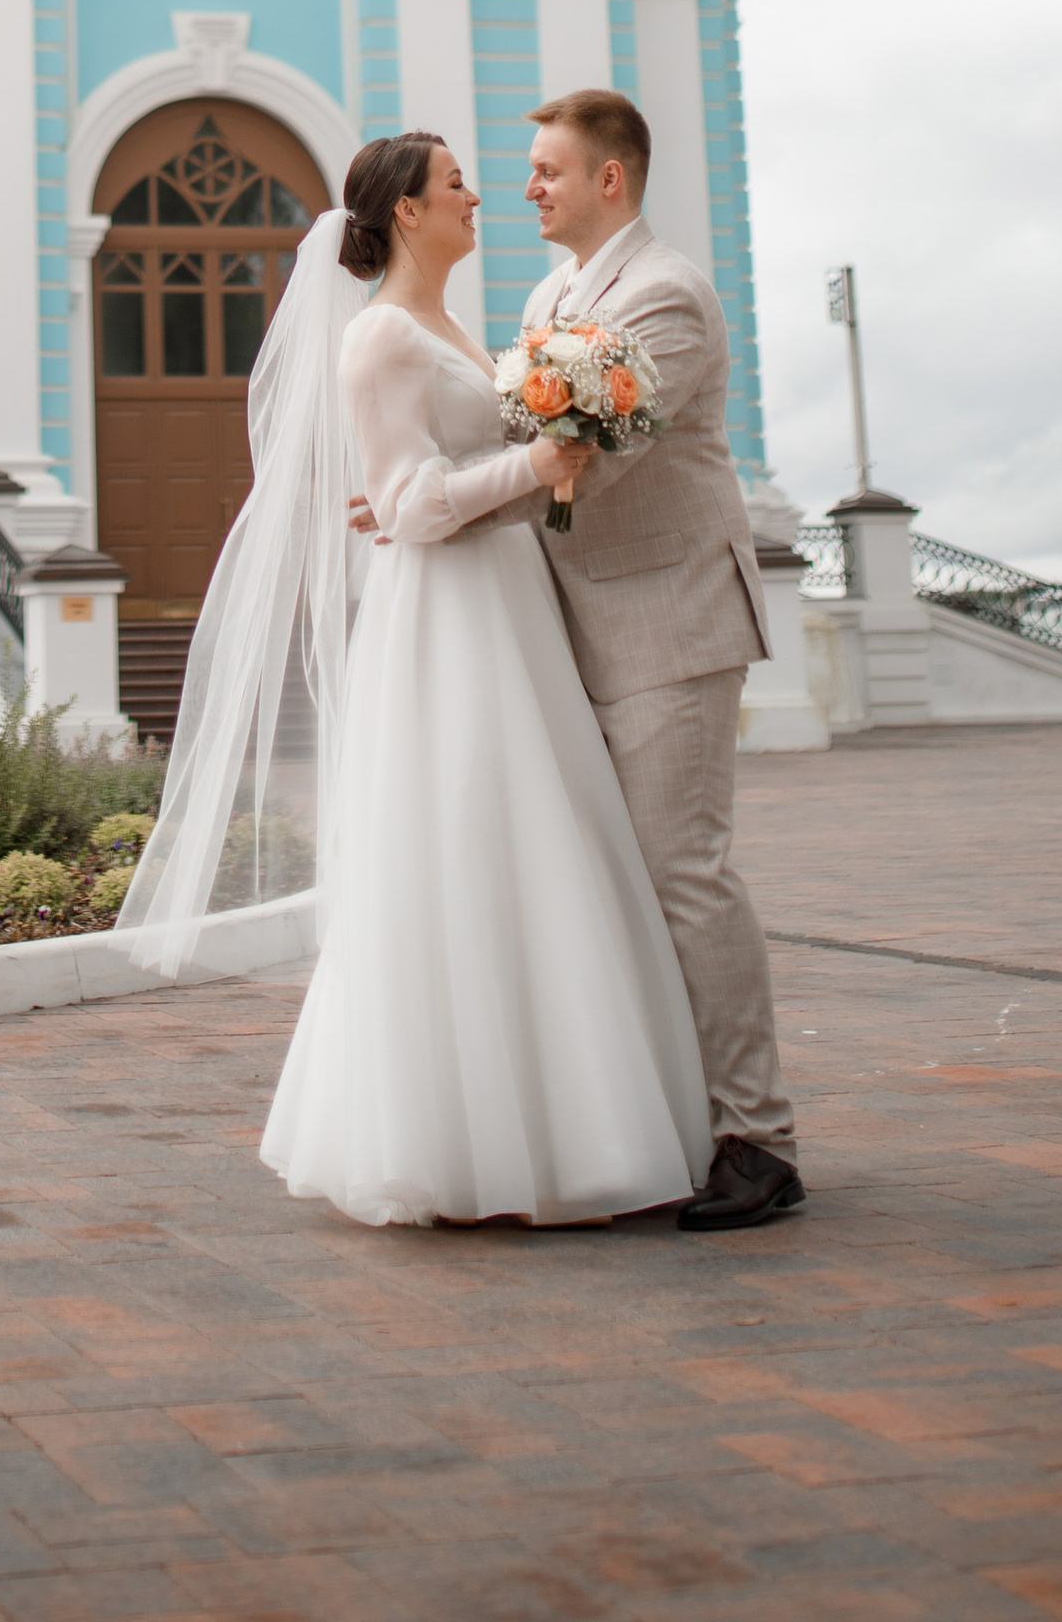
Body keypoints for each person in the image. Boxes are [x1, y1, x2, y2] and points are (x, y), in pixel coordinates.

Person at [119, 132, 712, 1227]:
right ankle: (463, 1141)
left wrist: (529, 459)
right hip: (444, 619)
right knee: (471, 845)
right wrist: (535, 463)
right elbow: (402, 507)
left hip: (505, 604)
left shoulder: (452, 327)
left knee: (540, 844)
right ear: (404, 210)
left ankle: (566, 1124)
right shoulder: (379, 339)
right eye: (453, 184)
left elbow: (435, 483)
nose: (477, 195)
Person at [510, 89, 802, 1232]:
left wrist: (441, 502)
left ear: (608, 181)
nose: (529, 186)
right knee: (626, 884)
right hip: (584, 622)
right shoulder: (552, 294)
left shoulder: (669, 294)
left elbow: (591, 458)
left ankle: (758, 1140)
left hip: (670, 623)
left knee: (685, 877)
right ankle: (672, 1117)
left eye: (546, 169)